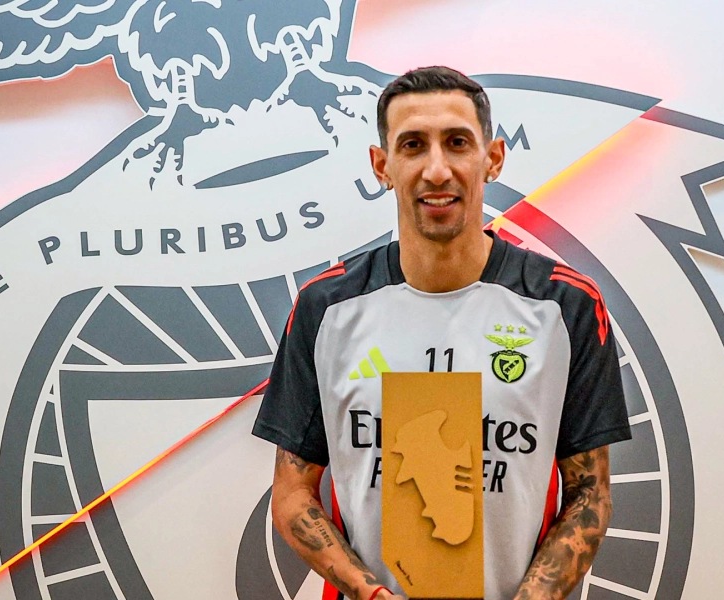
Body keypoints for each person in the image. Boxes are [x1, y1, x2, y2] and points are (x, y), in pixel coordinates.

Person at [252, 66, 631, 600]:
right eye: (413, 145)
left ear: (492, 158)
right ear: (382, 165)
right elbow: (293, 493)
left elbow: (590, 494)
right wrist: (369, 594)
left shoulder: (565, 306)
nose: (436, 170)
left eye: (457, 143)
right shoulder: (326, 308)